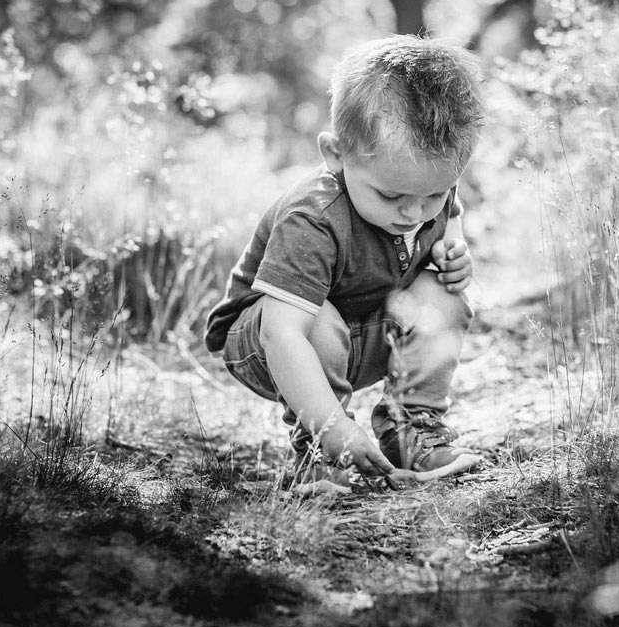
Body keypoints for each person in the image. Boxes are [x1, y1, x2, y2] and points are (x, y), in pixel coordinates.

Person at [204, 35, 488, 494]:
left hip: (360, 334)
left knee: (443, 296)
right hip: (270, 341)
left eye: (432, 195)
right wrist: (332, 426)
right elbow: (283, 332)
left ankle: (410, 430)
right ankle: (318, 453)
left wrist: (453, 248)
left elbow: (449, 212)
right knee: (318, 318)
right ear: (336, 155)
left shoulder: (424, 185)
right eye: (392, 196)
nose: (413, 214)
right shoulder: (313, 219)